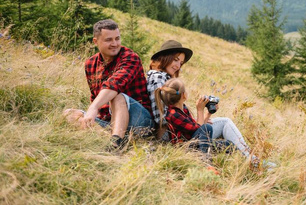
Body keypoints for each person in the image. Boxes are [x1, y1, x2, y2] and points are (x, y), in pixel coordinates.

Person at [147, 41, 276, 169]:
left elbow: (187, 122)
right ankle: (254, 163)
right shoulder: (158, 77)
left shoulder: (167, 79)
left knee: (222, 129)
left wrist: (205, 115)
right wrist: (199, 112)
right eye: (175, 60)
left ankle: (253, 162)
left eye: (181, 63)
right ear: (165, 57)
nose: (178, 66)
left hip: (188, 132)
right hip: (181, 139)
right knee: (222, 124)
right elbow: (162, 118)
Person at [64, 19, 154, 151]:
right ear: (95, 41)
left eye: (117, 38)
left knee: (117, 96)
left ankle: (116, 144)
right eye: (109, 40)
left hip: (140, 121)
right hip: (110, 121)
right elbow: (95, 95)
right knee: (68, 114)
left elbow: (115, 84)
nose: (115, 44)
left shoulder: (130, 57)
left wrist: (94, 107)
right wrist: (93, 115)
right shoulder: (90, 63)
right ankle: (109, 135)